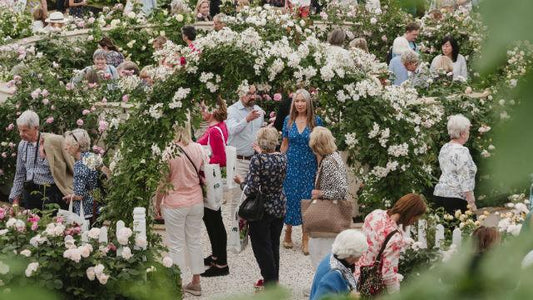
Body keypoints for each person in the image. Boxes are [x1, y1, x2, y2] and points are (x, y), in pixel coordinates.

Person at [155, 124, 206, 297]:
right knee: (195, 240)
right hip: (196, 201)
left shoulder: (168, 152)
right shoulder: (198, 148)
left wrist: (157, 204)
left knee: (176, 244)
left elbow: (162, 182)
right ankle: (196, 282)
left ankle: (176, 284)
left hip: (175, 202)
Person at [234, 127, 288, 289]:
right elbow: (269, 164)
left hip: (261, 208)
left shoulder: (257, 161)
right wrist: (261, 152)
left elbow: (251, 189)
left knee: (261, 247)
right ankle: (273, 280)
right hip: (279, 205)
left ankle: (270, 284)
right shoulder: (282, 158)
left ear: (259, 143)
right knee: (273, 245)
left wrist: (241, 182)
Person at [355, 193, 427, 294]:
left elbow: (377, 239)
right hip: (369, 284)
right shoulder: (395, 238)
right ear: (411, 214)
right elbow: (388, 276)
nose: (415, 221)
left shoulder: (375, 214)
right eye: (416, 218)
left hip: (355, 273)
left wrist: (404, 242)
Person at [280, 88, 323, 255]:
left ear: (308, 103)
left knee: (307, 200)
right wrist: (279, 161)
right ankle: (288, 231)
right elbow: (284, 144)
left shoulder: (316, 121)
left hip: (308, 166)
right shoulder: (288, 121)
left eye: (302, 101)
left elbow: (319, 148)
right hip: (290, 165)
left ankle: (306, 237)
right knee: (289, 198)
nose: (299, 104)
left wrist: (320, 169)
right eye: (296, 101)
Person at [9, 110, 74, 211]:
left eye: (25, 130)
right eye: (20, 130)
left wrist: (44, 155)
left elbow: (62, 168)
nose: (21, 134)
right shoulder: (22, 145)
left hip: (50, 194)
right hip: (30, 195)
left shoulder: (52, 142)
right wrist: (15, 200)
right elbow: (20, 174)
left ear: (36, 128)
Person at [196, 97, 230, 277]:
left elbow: (222, 159)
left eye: (204, 108)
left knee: (214, 220)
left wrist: (204, 157)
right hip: (209, 179)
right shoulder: (218, 127)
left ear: (213, 110)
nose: (202, 112)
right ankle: (216, 255)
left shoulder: (215, 131)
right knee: (211, 219)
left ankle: (222, 263)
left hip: (209, 179)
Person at [307, 126, 348, 268]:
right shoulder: (334, 156)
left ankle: (321, 287)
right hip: (330, 212)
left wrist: (321, 193)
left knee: (320, 252)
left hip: (328, 213)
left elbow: (342, 190)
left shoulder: (329, 162)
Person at [227, 83, 264, 214]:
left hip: (256, 160)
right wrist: (246, 119)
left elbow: (259, 134)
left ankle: (250, 232)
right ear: (240, 94)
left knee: (255, 199)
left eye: (254, 93)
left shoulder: (259, 110)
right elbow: (231, 130)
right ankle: (236, 233)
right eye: (249, 94)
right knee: (238, 199)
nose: (252, 96)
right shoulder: (232, 110)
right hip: (239, 160)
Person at [433, 114, 477, 213]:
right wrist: (471, 201)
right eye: (468, 131)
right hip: (456, 197)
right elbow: (464, 177)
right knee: (468, 227)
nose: (469, 133)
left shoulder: (445, 148)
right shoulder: (462, 151)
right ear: (463, 133)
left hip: (439, 194)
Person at [309, 229, 368, 300]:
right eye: (361, 254)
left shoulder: (333, 256)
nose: (361, 256)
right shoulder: (332, 275)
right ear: (352, 255)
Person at [61, 129, 99, 221]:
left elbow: (79, 194)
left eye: (68, 145)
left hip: (86, 211)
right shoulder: (92, 157)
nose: (65, 148)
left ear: (76, 145)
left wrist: (70, 197)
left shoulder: (80, 164)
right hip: (97, 207)